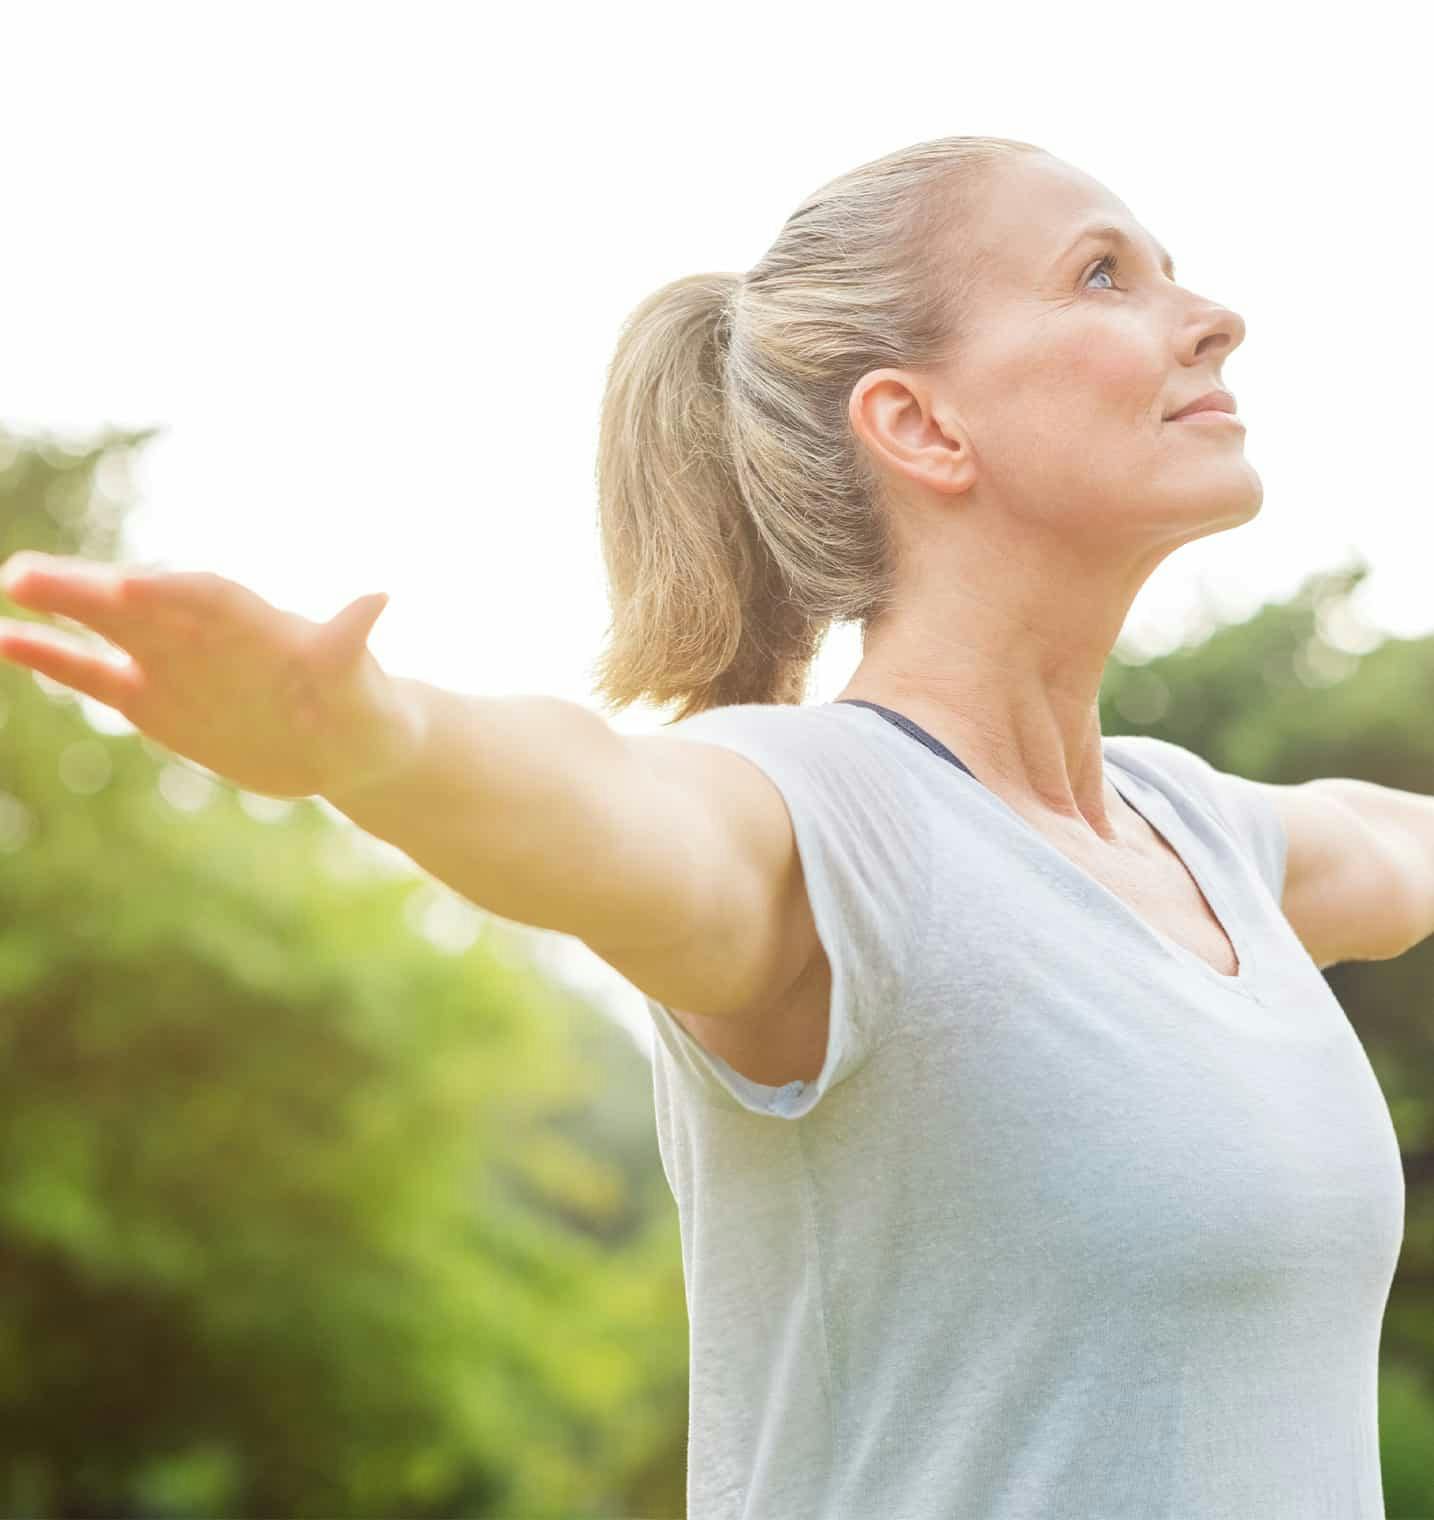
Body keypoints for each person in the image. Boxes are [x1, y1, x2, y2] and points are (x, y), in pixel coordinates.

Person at [0, 136, 1407, 1519]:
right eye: (1102, 274)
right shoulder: (830, 818)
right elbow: (607, 798)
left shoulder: (1207, 835)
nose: (1213, 317)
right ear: (921, 426)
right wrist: (380, 738)